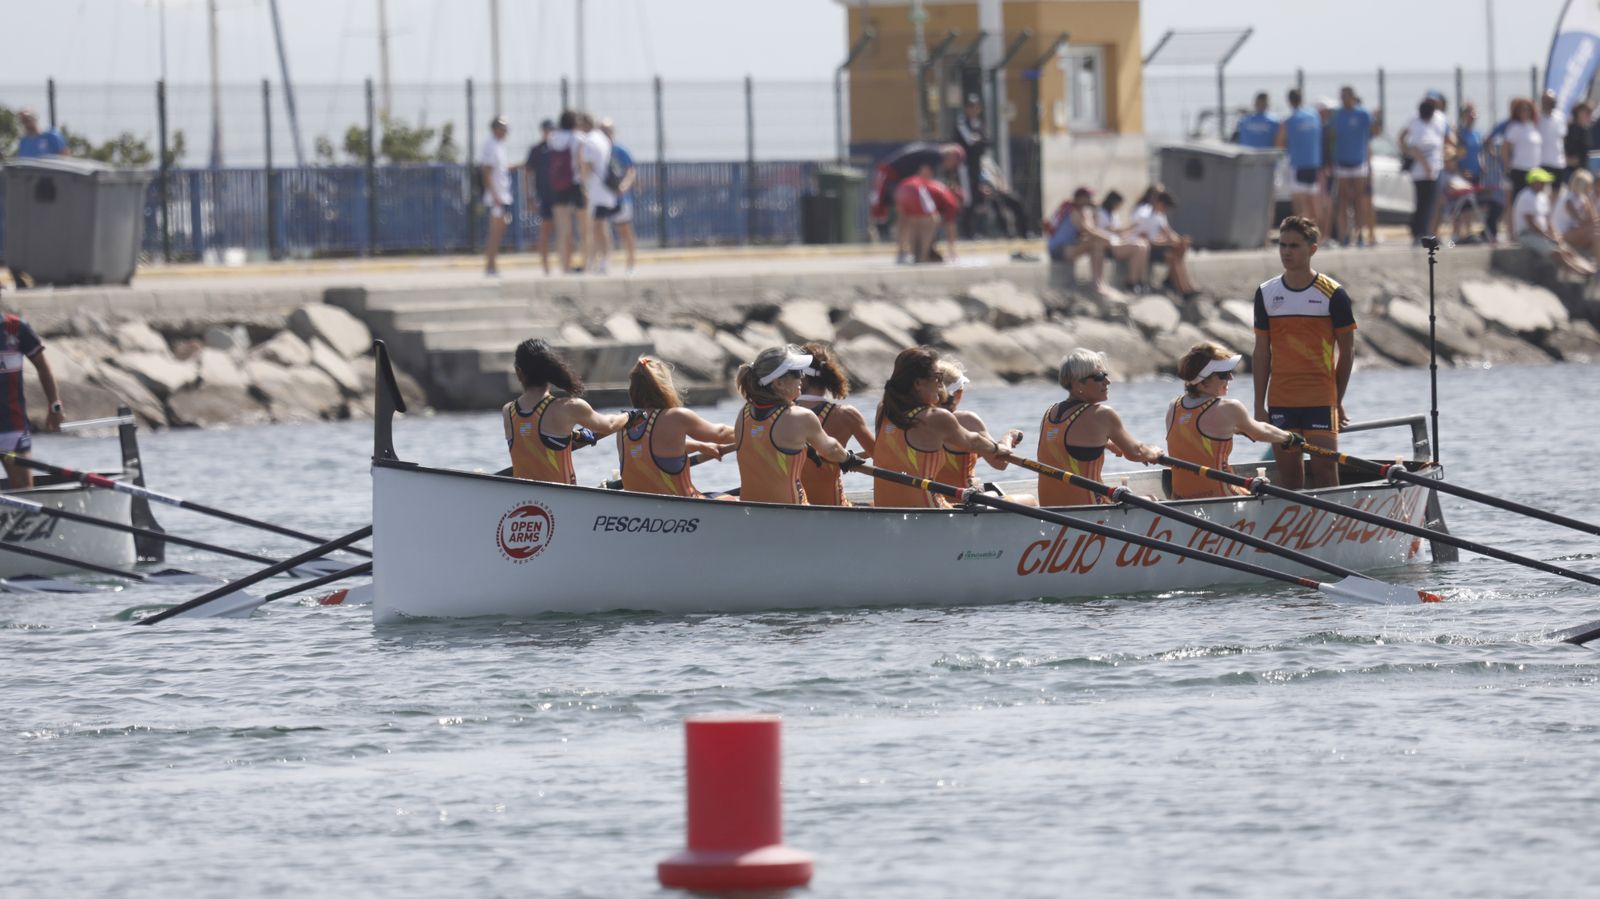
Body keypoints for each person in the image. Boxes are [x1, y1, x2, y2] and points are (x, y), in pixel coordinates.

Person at [1251, 216, 1357, 490]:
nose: (1286, 252)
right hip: (1281, 400)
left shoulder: (1333, 294)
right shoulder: (1266, 293)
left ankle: (1332, 529)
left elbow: (1347, 351)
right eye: (1282, 245)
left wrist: (1338, 398)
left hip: (1320, 398)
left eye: (1294, 246)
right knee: (1289, 479)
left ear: (1312, 249)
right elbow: (1262, 353)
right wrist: (1258, 405)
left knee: (1326, 474)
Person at [873, 346, 1012, 508]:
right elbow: (972, 441)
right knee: (1029, 500)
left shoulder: (884, 410)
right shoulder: (935, 417)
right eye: (937, 377)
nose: (940, 385)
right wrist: (997, 448)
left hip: (886, 512)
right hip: (931, 514)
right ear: (918, 383)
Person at [1165, 343, 1297, 500]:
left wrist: (1237, 428)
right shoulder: (1230, 408)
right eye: (1223, 374)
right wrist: (1289, 438)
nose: (1231, 377)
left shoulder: (1174, 407)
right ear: (1203, 382)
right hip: (1221, 496)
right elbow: (1261, 432)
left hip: (1179, 499)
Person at [1036, 348, 1160, 507]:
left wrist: (1106, 444)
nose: (1107, 382)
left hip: (1051, 512)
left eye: (1106, 375)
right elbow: (1136, 452)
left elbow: (1064, 448)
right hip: (1090, 511)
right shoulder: (1102, 414)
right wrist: (1155, 452)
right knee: (1152, 499)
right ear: (1077, 384)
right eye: (1099, 377)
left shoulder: (1050, 414)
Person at [733, 346, 850, 505]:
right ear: (779, 383)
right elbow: (831, 450)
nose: (802, 378)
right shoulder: (801, 416)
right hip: (794, 515)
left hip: (749, 514)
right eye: (796, 373)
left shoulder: (743, 414)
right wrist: (849, 458)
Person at [503, 339, 629, 484]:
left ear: (519, 373)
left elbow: (534, 437)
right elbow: (610, 424)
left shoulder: (508, 412)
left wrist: (574, 435)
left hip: (524, 503)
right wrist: (628, 416)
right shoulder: (569, 408)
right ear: (550, 370)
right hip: (563, 502)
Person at [617, 356, 736, 498]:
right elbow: (721, 434)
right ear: (666, 387)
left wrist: (699, 446)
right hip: (681, 510)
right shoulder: (677, 417)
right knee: (729, 498)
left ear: (633, 389)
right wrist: (745, 431)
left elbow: (654, 449)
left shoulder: (624, 424)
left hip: (641, 511)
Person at [934, 359, 1036, 505]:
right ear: (958, 393)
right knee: (1031, 500)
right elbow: (1000, 463)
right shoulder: (966, 420)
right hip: (964, 503)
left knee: (991, 491)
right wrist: (1009, 437)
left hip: (933, 503)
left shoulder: (917, 420)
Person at [795, 342, 875, 507]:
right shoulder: (846, 415)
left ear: (802, 377)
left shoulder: (780, 414)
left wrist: (849, 457)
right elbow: (883, 456)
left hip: (792, 506)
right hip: (834, 507)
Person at [0, 307, 63, 489]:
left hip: (11, 425)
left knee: (23, 488)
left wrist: (55, 405)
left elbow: (43, 367)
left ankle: (25, 516)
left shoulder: (16, 328)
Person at [868, 142, 965, 240]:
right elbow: (924, 179)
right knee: (908, 213)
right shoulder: (936, 156)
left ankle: (904, 246)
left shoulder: (932, 151)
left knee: (906, 213)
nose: (952, 166)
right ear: (952, 156)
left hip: (895, 180)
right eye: (955, 162)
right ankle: (904, 243)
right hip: (891, 178)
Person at [1514, 167, 1597, 276]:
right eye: (1542, 182)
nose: (1545, 184)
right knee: (1557, 252)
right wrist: (1549, 238)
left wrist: (1555, 236)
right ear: (1534, 182)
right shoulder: (1526, 197)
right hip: (1526, 235)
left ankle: (1588, 269)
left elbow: (1548, 222)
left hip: (1541, 234)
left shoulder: (1542, 197)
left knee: (1567, 250)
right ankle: (1580, 273)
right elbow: (1531, 225)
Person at [1131, 190, 1199, 298]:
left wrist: (1181, 240)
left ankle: (1187, 287)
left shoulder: (1160, 215)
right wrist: (1165, 242)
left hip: (1154, 247)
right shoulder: (1143, 214)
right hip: (1143, 249)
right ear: (1159, 203)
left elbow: (1168, 233)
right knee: (1172, 257)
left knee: (1179, 250)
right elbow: (1142, 239)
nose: (1166, 210)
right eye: (1165, 207)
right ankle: (1182, 289)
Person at [1330, 86, 1374, 247]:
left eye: (1346, 96)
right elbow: (1332, 136)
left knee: (1359, 201)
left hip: (1358, 162)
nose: (1344, 100)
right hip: (1342, 162)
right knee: (1342, 201)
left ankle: (1360, 233)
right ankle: (1344, 235)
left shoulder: (1362, 114)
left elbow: (1371, 134)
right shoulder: (1337, 115)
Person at [576, 112, 618, 275]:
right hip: (604, 190)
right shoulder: (602, 139)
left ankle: (598, 261)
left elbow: (586, 166)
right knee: (601, 226)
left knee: (597, 227)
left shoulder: (590, 141)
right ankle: (601, 260)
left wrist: (583, 187)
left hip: (596, 190)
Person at [1401, 98, 1448, 243]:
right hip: (1420, 169)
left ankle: (1429, 232)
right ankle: (1420, 232)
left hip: (1436, 167)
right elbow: (1414, 146)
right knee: (1423, 202)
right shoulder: (1416, 121)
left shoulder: (1439, 119)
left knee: (1433, 202)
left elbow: (1443, 138)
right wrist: (1426, 165)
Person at [1278, 88, 1323, 232]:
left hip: (1297, 164)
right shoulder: (1314, 116)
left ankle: (1302, 234)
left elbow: (1279, 142)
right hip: (1314, 163)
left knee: (1299, 205)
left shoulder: (1290, 120)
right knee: (1313, 203)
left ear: (1289, 101)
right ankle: (1316, 233)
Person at [545, 111, 585, 274]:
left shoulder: (553, 137)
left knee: (563, 229)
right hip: (575, 184)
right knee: (583, 227)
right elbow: (580, 162)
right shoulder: (578, 137)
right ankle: (585, 262)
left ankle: (564, 265)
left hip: (558, 185)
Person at [598, 118, 638, 274]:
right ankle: (604, 262)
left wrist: (625, 185)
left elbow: (631, 170)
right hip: (603, 197)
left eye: (607, 130)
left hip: (620, 197)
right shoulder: (598, 150)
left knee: (625, 230)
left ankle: (631, 264)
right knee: (602, 230)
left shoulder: (620, 150)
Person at [894, 174, 960, 263]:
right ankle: (922, 257)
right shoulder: (951, 202)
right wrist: (952, 251)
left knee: (911, 222)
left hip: (903, 187)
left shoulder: (940, 188)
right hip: (917, 189)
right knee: (933, 220)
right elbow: (950, 226)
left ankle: (902, 253)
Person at [478, 115, 514, 277]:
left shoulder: (500, 146)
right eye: (503, 128)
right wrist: (495, 195)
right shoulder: (490, 145)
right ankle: (490, 266)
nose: (506, 131)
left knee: (500, 231)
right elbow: (486, 171)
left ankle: (492, 264)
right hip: (497, 197)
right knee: (494, 232)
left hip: (503, 194)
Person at [523, 119, 558, 275]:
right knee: (544, 231)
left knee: (565, 230)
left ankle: (564, 264)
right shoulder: (536, 150)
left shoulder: (559, 148)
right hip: (544, 195)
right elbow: (527, 173)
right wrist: (529, 197)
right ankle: (546, 267)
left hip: (560, 195)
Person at [953, 93, 990, 237]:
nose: (973, 110)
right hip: (964, 166)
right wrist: (979, 139)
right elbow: (970, 141)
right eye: (970, 107)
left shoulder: (978, 123)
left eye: (975, 107)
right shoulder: (962, 123)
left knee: (979, 196)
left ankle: (976, 229)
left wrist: (980, 139)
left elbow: (986, 141)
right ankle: (967, 230)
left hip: (978, 165)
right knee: (967, 198)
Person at [1502, 97, 1542, 206]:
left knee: (1533, 201)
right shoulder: (1514, 127)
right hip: (1520, 169)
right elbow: (1505, 148)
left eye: (1527, 109)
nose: (1525, 112)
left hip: (1534, 170)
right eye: (1521, 109)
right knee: (1518, 201)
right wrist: (1507, 165)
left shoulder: (1533, 127)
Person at [1539, 89, 1568, 185]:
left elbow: (1563, 138)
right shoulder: (1537, 117)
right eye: (1545, 101)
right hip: (1541, 162)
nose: (1548, 103)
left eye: (1550, 101)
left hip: (1558, 162)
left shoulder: (1560, 117)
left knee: (1557, 191)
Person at [1565, 101, 1593, 185]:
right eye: (1586, 111)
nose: (1588, 114)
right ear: (1578, 112)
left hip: (1582, 169)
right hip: (1571, 170)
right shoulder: (1573, 128)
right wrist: (1567, 159)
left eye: (1589, 112)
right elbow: (1566, 146)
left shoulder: (1585, 129)